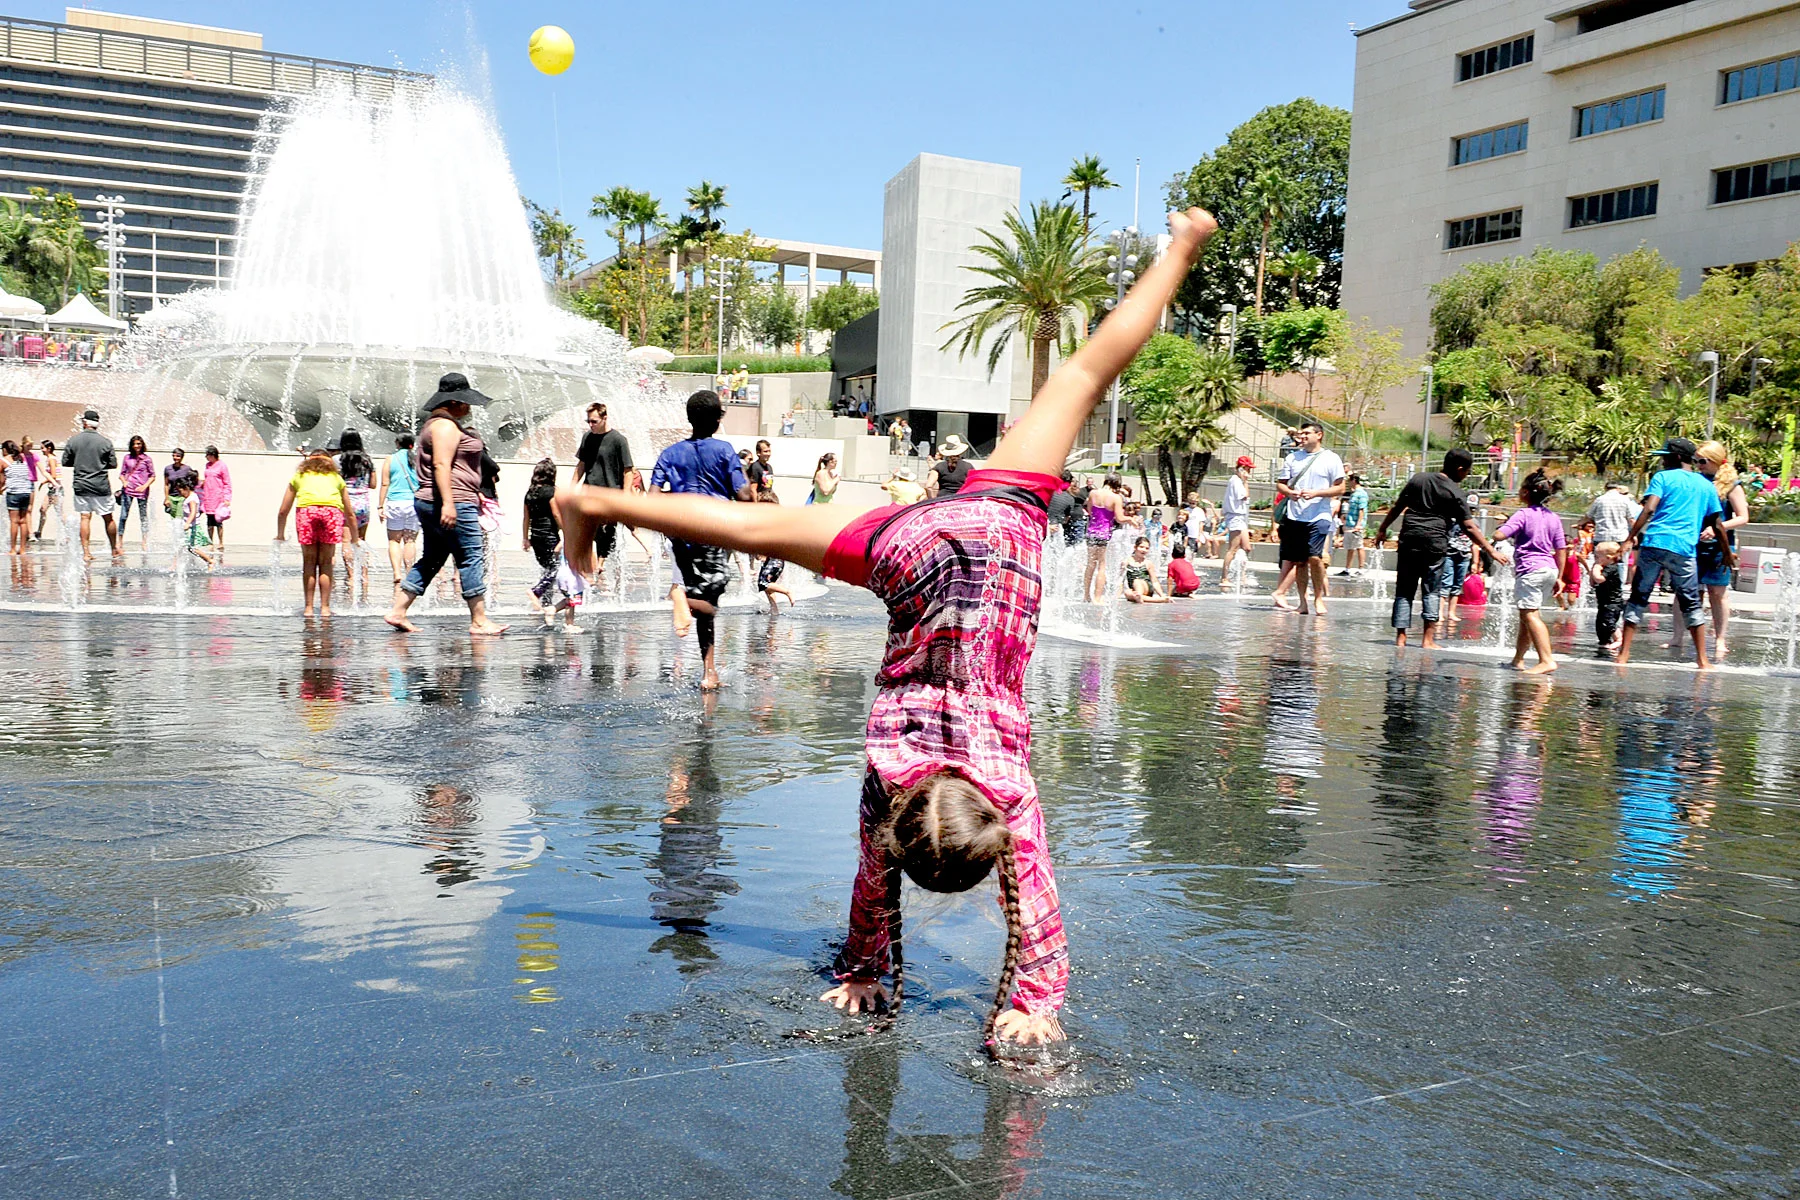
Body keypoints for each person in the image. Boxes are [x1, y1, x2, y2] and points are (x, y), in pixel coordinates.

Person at [557, 205, 1221, 1049]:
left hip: (996, 524)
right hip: (909, 557)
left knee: (1084, 375)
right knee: (749, 526)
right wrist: (1022, 1004)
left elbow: (1010, 893)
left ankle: (1183, 245)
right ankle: (598, 499)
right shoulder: (893, 782)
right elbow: (885, 883)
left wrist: (886, 975)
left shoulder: (1001, 790)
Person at [383, 373, 508, 636]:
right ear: (454, 401)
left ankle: (398, 611)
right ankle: (479, 620)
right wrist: (449, 503)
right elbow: (441, 463)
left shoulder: (438, 425)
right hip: (452, 501)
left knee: (433, 558)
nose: (469, 407)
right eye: (465, 402)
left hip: (435, 500)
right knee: (472, 555)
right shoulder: (444, 427)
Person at [647, 389, 752, 691]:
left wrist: (680, 499)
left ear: (689, 418)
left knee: (704, 599)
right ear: (718, 420)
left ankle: (709, 671)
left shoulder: (670, 453)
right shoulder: (723, 450)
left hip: (681, 533)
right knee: (710, 602)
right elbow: (743, 494)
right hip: (713, 531)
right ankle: (681, 602)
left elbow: (653, 498)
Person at [1616, 438, 1732, 669]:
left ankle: (1624, 655)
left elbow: (1649, 509)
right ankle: (1703, 660)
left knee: (1639, 597)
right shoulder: (1706, 485)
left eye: (1665, 456)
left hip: (1655, 543)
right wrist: (1727, 552)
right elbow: (1717, 524)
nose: (1662, 460)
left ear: (1677, 457)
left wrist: (1629, 538)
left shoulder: (1662, 478)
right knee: (1691, 603)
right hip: (1684, 549)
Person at [1373, 449, 1503, 649]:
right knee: (1431, 589)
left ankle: (1401, 638)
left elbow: (1398, 507)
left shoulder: (1418, 479)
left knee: (1404, 589)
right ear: (1459, 469)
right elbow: (1469, 526)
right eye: (1466, 472)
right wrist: (1490, 550)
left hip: (1410, 538)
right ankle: (1428, 639)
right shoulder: (1455, 491)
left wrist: (1382, 529)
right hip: (1434, 543)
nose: (1465, 476)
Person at [1492, 469, 1569, 675]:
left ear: (1526, 493)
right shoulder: (1553, 518)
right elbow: (1561, 549)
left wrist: (1497, 530)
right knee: (1526, 615)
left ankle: (1547, 660)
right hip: (1549, 569)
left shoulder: (1523, 514)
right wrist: (1560, 578)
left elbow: (1500, 535)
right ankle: (1518, 659)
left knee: (1530, 615)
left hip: (1531, 570)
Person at [1270, 421, 1345, 615]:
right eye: (1301, 433)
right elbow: (1281, 484)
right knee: (1300, 561)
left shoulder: (1331, 458)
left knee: (1314, 557)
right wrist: (1289, 493)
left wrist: (1317, 493)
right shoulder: (1293, 458)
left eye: (1306, 433)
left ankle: (1318, 598)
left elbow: (1340, 488)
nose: (1302, 436)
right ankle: (1303, 602)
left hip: (1319, 515)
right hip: (1295, 516)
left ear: (1318, 435)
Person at [274, 448, 359, 617]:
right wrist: (355, 538)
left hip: (307, 512)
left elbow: (283, 510)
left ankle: (309, 608)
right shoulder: (336, 478)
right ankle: (325, 609)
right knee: (326, 562)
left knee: (309, 562)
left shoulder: (299, 476)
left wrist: (280, 534)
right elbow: (350, 513)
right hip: (331, 513)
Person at [570, 402, 638, 588]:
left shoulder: (618, 440)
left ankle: (603, 569)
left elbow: (628, 470)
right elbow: (581, 465)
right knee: (585, 530)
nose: (590, 425)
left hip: (610, 494)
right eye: (588, 421)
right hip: (589, 491)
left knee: (607, 534)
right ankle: (593, 570)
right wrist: (571, 487)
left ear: (604, 418)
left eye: (594, 421)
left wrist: (625, 496)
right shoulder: (587, 438)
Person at [1693, 441, 1749, 660]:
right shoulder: (1697, 481)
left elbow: (1743, 517)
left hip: (1720, 545)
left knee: (1717, 593)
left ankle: (1720, 638)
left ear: (1715, 461)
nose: (1698, 465)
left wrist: (1718, 529)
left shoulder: (1732, 485)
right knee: (1688, 591)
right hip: (1694, 542)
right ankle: (1680, 636)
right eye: (1695, 460)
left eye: (1702, 461)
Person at [61, 408, 119, 560]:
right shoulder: (105, 442)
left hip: (81, 484)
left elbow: (65, 462)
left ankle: (86, 552)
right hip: (100, 484)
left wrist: (80, 461)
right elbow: (113, 464)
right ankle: (114, 549)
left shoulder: (73, 441)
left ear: (85, 423)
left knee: (85, 518)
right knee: (108, 518)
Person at [376, 433, 421, 599]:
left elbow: (385, 483)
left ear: (397, 443)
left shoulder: (390, 459)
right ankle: (410, 573)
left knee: (394, 540)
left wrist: (380, 505)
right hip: (414, 503)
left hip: (395, 502)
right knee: (410, 540)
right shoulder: (418, 459)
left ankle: (397, 573)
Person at [1082, 473, 1125, 602]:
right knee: (1102, 565)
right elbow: (1120, 518)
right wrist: (1131, 519)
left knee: (1090, 564)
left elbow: (1089, 511)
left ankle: (1086, 596)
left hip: (1091, 531)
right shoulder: (1116, 498)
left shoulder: (1093, 493)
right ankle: (1097, 597)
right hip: (1104, 533)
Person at [117, 435, 154, 552]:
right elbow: (122, 473)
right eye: (134, 444)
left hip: (142, 491)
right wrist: (124, 482)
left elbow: (153, 476)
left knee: (143, 517)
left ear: (142, 444)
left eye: (138, 444)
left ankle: (144, 541)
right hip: (128, 490)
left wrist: (144, 486)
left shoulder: (146, 459)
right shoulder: (127, 458)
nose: (136, 446)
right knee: (123, 516)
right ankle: (120, 541)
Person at [1221, 455, 1254, 576]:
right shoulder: (1235, 481)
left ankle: (1242, 574)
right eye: (1248, 469)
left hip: (1241, 517)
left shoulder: (1238, 481)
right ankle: (1224, 576)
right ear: (1242, 468)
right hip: (1235, 516)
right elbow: (1245, 495)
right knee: (1233, 548)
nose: (1249, 472)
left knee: (1247, 547)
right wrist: (1245, 481)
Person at [173, 475, 213, 571]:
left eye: (180, 491)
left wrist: (188, 523)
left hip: (192, 527)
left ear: (186, 488)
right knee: (182, 546)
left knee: (191, 548)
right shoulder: (190, 497)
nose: (180, 494)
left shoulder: (192, 498)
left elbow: (193, 512)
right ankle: (174, 566)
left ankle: (209, 561)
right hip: (189, 526)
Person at [1591, 540, 1626, 653]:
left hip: (1613, 602)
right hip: (1604, 602)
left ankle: (1619, 639)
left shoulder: (1611, 568)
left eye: (1597, 557)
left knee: (1608, 621)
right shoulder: (1604, 567)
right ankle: (1604, 640)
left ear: (1608, 557)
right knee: (1600, 623)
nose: (1595, 559)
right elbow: (1593, 582)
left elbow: (1599, 579)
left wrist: (1596, 568)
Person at [1584, 480, 1642, 546]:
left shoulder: (1599, 500)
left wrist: (1580, 523)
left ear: (1605, 488)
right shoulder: (1625, 500)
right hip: (1620, 537)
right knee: (1621, 556)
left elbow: (1588, 516)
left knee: (1600, 556)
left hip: (1602, 537)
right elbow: (1631, 520)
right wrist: (1633, 535)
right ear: (1617, 489)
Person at [198, 445, 232, 551]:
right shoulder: (207, 465)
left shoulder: (222, 466)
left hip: (218, 497)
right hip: (208, 496)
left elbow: (227, 483)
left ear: (213, 455)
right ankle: (210, 541)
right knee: (209, 521)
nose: (206, 458)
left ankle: (221, 542)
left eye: (207, 455)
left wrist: (227, 498)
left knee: (218, 521)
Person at [1120, 535, 1169, 604]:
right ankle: (1153, 600)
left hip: (1146, 587)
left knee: (1137, 581)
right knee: (1127, 592)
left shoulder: (1148, 563)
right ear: (1135, 547)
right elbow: (1120, 579)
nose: (1144, 550)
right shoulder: (1126, 562)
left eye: (1147, 548)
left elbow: (1154, 581)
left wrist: (1161, 594)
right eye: (1141, 547)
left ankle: (1139, 597)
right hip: (1134, 590)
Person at [1336, 474, 1368, 576]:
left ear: (1354, 480)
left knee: (1359, 545)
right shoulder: (1354, 494)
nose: (1348, 483)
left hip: (1356, 524)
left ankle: (1361, 568)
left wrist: (1358, 524)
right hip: (1350, 523)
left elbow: (1361, 510)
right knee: (1350, 547)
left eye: (1349, 480)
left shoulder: (1361, 494)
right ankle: (1347, 568)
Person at [3, 441, 31, 553]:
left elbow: (1, 480)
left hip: (13, 493)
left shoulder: (4, 461)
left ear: (5, 450)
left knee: (14, 521)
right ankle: (23, 549)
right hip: (26, 492)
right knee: (23, 521)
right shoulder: (22, 459)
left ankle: (13, 549)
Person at [32, 439, 60, 542]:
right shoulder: (51, 458)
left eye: (43, 448)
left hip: (55, 489)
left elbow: (53, 475)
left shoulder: (51, 459)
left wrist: (43, 482)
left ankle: (68, 533)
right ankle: (39, 532)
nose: (41, 450)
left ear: (49, 448)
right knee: (43, 509)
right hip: (53, 489)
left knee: (59, 512)